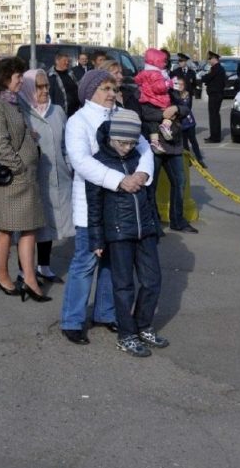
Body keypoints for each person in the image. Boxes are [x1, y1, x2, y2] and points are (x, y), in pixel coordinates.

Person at [59, 70, 154, 345]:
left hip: (123, 207)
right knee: (85, 262)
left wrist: (142, 175)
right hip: (92, 204)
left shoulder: (120, 114)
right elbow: (81, 161)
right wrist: (119, 180)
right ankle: (72, 320)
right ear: (91, 92)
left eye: (113, 88)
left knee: (114, 263)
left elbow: (144, 148)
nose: (112, 93)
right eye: (105, 88)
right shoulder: (78, 121)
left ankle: (105, 312)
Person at [87, 111, 168, 357]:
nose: (127, 148)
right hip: (119, 232)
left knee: (153, 281)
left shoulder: (139, 158)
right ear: (112, 138)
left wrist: (155, 225)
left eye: (132, 143)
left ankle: (143, 325)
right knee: (123, 286)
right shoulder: (99, 162)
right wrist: (97, 239)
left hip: (146, 230)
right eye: (122, 143)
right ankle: (126, 334)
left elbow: (148, 194)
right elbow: (95, 206)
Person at [0, 56, 50, 302]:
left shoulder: (13, 103)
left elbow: (17, 134)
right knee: (5, 230)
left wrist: (30, 138)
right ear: (5, 79)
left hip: (25, 179)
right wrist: (19, 167)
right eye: (18, 76)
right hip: (10, 180)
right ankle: (1, 275)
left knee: (29, 228)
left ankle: (29, 279)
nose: (22, 80)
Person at [18, 69, 73, 284]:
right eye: (39, 86)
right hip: (33, 177)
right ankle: (24, 270)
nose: (44, 90)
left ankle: (44, 266)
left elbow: (65, 144)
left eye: (47, 86)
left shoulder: (57, 111)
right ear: (29, 88)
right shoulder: (21, 112)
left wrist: (68, 166)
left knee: (49, 224)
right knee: (31, 226)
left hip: (58, 177)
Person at [139, 70, 197, 234]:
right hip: (154, 147)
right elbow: (145, 114)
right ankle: (153, 222)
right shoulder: (144, 95)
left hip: (174, 145)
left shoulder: (170, 93)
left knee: (179, 183)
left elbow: (186, 109)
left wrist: (176, 108)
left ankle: (177, 221)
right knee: (151, 186)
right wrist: (165, 113)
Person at [135, 48, 177, 148]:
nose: (164, 64)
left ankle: (155, 141)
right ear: (157, 62)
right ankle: (166, 126)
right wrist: (168, 84)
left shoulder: (144, 72)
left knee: (153, 122)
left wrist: (143, 87)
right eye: (163, 62)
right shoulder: (157, 74)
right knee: (170, 113)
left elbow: (137, 80)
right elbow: (159, 88)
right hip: (159, 101)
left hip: (146, 101)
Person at [173, 76, 205, 168]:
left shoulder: (186, 94)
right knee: (184, 143)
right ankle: (188, 160)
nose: (180, 86)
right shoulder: (174, 95)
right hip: (180, 123)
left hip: (189, 122)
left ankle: (199, 159)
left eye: (182, 84)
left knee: (193, 141)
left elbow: (185, 106)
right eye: (178, 84)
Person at [200, 51, 227, 143]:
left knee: (214, 116)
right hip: (216, 94)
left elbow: (208, 78)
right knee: (214, 116)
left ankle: (215, 137)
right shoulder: (218, 68)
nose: (209, 61)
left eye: (210, 59)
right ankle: (214, 136)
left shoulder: (216, 68)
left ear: (215, 59)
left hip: (215, 95)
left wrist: (203, 78)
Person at [47, 51, 80, 117]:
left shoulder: (70, 73)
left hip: (75, 112)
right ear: (57, 61)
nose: (67, 63)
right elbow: (50, 97)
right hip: (62, 114)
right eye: (64, 61)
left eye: (68, 61)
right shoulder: (51, 76)